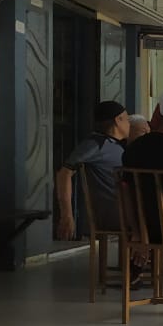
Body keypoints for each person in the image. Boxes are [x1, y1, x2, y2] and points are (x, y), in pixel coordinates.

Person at [54, 100, 130, 240]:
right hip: (117, 213)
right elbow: (64, 172)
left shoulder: (119, 145)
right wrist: (67, 215)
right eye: (127, 119)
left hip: (127, 209)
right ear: (118, 120)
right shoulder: (96, 144)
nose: (129, 124)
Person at [122, 86, 163, 241]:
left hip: (143, 228)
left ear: (158, 116)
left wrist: (137, 232)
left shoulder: (132, 149)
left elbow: (126, 192)